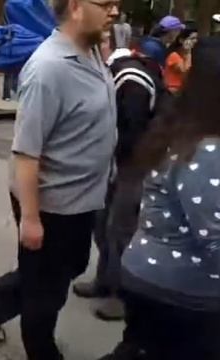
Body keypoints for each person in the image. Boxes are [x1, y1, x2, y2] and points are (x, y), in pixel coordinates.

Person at [0, 0, 118, 357]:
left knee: (70, 266)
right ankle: (41, 348)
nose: (114, 11)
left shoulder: (91, 53)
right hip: (53, 205)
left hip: (84, 199)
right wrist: (31, 219)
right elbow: (26, 152)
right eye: (107, 3)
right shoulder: (48, 69)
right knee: (46, 292)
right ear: (77, 7)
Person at [100, 36, 220, 360]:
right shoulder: (206, 150)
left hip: (153, 280)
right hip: (180, 291)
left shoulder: (183, 130)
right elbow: (215, 240)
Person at [73, 30, 170, 321]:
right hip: (122, 159)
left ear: (107, 47)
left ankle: (122, 296)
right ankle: (105, 280)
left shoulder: (129, 78)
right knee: (103, 222)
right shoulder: (110, 72)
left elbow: (133, 130)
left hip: (138, 160)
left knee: (121, 227)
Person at [163, 27, 197, 93]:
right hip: (173, 92)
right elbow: (185, 71)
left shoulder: (188, 56)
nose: (195, 41)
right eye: (192, 38)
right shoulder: (174, 56)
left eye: (196, 39)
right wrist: (188, 52)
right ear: (181, 40)